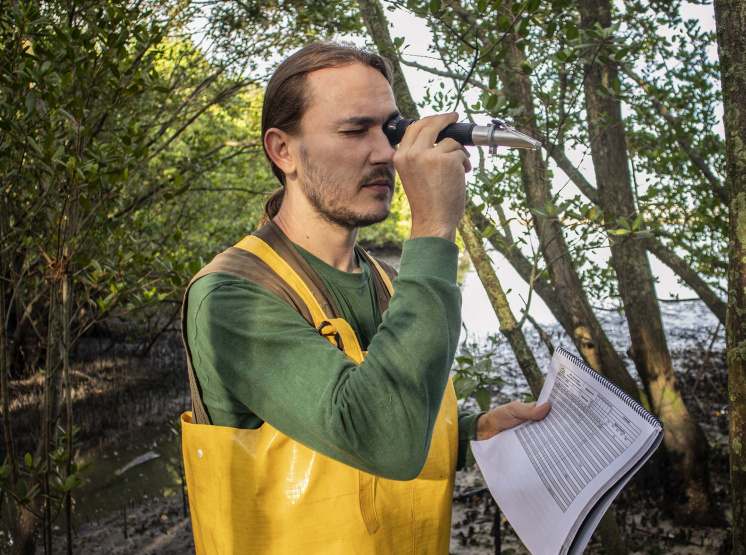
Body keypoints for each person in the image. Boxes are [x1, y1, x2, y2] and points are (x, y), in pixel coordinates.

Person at [179, 41, 550, 554]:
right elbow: (382, 438)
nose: (386, 154)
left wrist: (472, 434)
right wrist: (435, 225)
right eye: (355, 131)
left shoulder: (391, 282)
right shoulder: (231, 296)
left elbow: (363, 422)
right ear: (283, 150)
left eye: (391, 130)